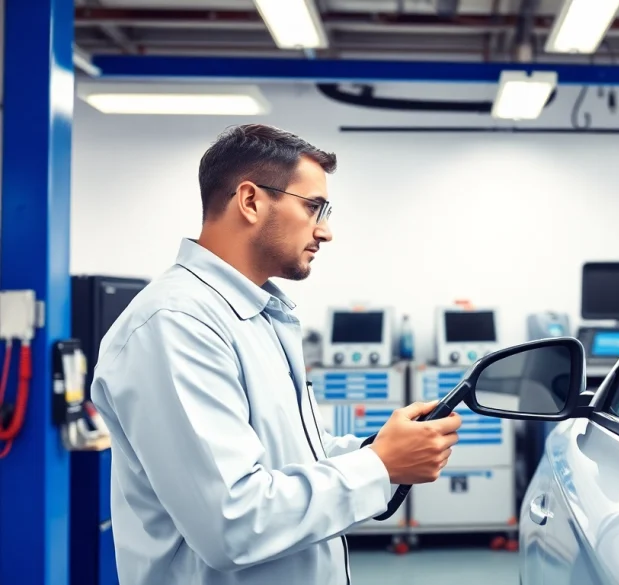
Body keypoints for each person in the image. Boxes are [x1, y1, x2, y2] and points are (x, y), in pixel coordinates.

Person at [90, 124, 462, 585]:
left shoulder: (256, 314)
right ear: (250, 201)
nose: (325, 231)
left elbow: (292, 458)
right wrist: (379, 465)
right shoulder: (175, 325)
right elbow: (234, 523)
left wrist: (379, 450)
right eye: (313, 208)